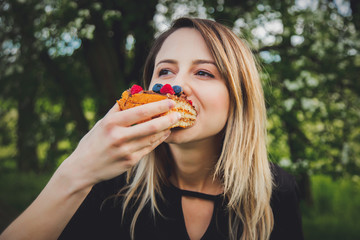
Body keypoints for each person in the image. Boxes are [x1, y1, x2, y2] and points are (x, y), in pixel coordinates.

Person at [0, 17, 303, 240]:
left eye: (203, 72)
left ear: (239, 97)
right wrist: (77, 173)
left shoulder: (277, 191)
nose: (175, 86)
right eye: (165, 70)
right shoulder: (111, 184)